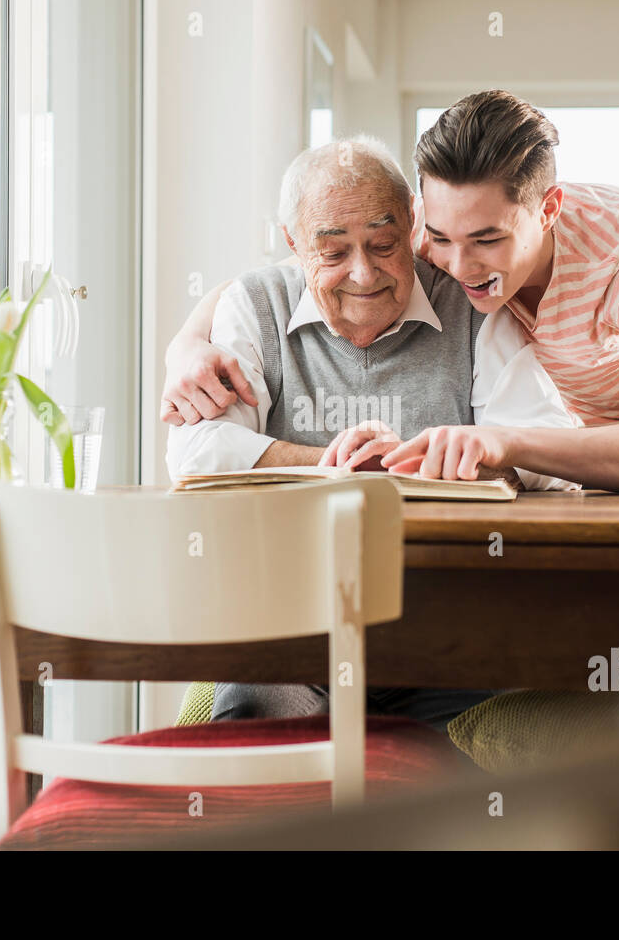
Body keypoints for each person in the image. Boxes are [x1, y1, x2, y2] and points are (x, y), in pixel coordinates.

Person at [166, 135, 580, 733]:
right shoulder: (253, 306)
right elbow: (198, 452)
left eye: (384, 245)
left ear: (413, 224)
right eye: (332, 252)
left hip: (455, 637)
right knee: (253, 749)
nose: (363, 273)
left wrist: (438, 460)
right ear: (294, 244)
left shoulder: (470, 305)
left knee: (500, 767)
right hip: (296, 631)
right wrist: (337, 469)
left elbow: (549, 452)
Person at [162, 90, 619, 492]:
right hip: (576, 421)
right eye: (440, 238)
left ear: (547, 209)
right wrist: (188, 341)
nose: (460, 268)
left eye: (487, 240)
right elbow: (306, 270)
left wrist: (500, 440)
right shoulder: (422, 235)